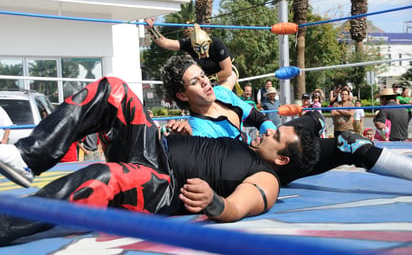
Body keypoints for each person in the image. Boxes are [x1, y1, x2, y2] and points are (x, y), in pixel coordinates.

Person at [0, 75, 321, 245]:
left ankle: (5, 225)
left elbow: (238, 206)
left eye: (275, 138)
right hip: (153, 148)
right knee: (114, 89)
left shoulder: (268, 179)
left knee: (101, 177)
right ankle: (28, 156)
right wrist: (182, 130)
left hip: (161, 183)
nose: (267, 133)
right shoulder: (245, 145)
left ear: (280, 160)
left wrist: (214, 202)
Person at [161, 55, 412, 185]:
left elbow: (258, 117)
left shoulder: (224, 94)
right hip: (265, 167)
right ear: (183, 95)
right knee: (349, 144)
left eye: (203, 75)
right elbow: (227, 165)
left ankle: (313, 125)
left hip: (268, 146)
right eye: (195, 82)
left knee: (314, 118)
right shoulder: (198, 129)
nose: (205, 81)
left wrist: (270, 131)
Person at [144, 19, 240, 94]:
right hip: (207, 79)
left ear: (209, 42)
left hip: (227, 75)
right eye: (197, 49)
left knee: (221, 95)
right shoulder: (188, 44)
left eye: (204, 47)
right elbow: (164, 42)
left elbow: (227, 71)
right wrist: (151, 29)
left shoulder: (217, 44)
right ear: (192, 45)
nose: (202, 52)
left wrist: (206, 80)